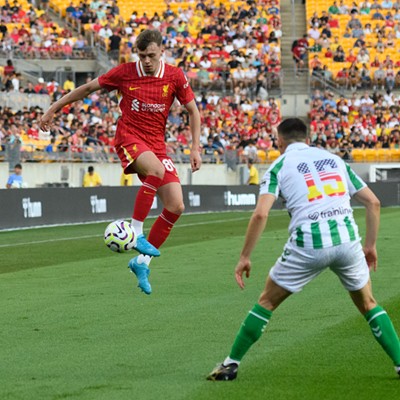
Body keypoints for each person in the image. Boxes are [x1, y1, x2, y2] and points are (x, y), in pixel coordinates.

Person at [207, 118, 400, 381]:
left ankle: (231, 365)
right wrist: (370, 245)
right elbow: (373, 203)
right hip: (347, 240)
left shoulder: (278, 166)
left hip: (308, 243)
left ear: (278, 141)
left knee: (266, 301)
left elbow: (260, 215)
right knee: (368, 303)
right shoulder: (335, 160)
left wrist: (244, 257)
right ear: (308, 139)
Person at [39, 29, 202, 295]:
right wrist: (53, 108)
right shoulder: (125, 72)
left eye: (151, 55)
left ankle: (141, 262)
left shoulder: (175, 76)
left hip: (157, 145)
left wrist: (195, 148)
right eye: (142, 55)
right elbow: (88, 88)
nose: (147, 60)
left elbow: (194, 111)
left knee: (176, 205)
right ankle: (136, 232)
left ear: (162, 51)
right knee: (156, 170)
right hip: (129, 137)